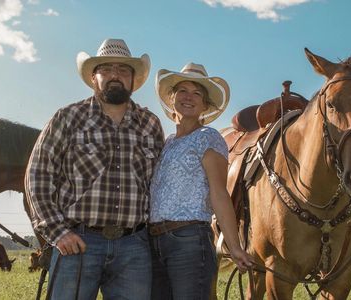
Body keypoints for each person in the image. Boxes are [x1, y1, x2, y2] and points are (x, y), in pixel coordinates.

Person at [25, 38, 164, 300]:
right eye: (106, 69)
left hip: (134, 245)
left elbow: (158, 185)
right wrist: (57, 231)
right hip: (78, 241)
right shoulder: (68, 117)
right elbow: (38, 175)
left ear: (134, 80)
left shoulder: (150, 124)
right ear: (93, 77)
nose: (115, 75)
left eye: (124, 70)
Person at [148, 63, 253, 299]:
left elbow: (219, 192)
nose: (189, 97)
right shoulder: (167, 143)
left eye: (197, 93)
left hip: (188, 240)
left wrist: (234, 247)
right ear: (172, 97)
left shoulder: (209, 138)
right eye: (183, 90)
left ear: (205, 105)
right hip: (154, 241)